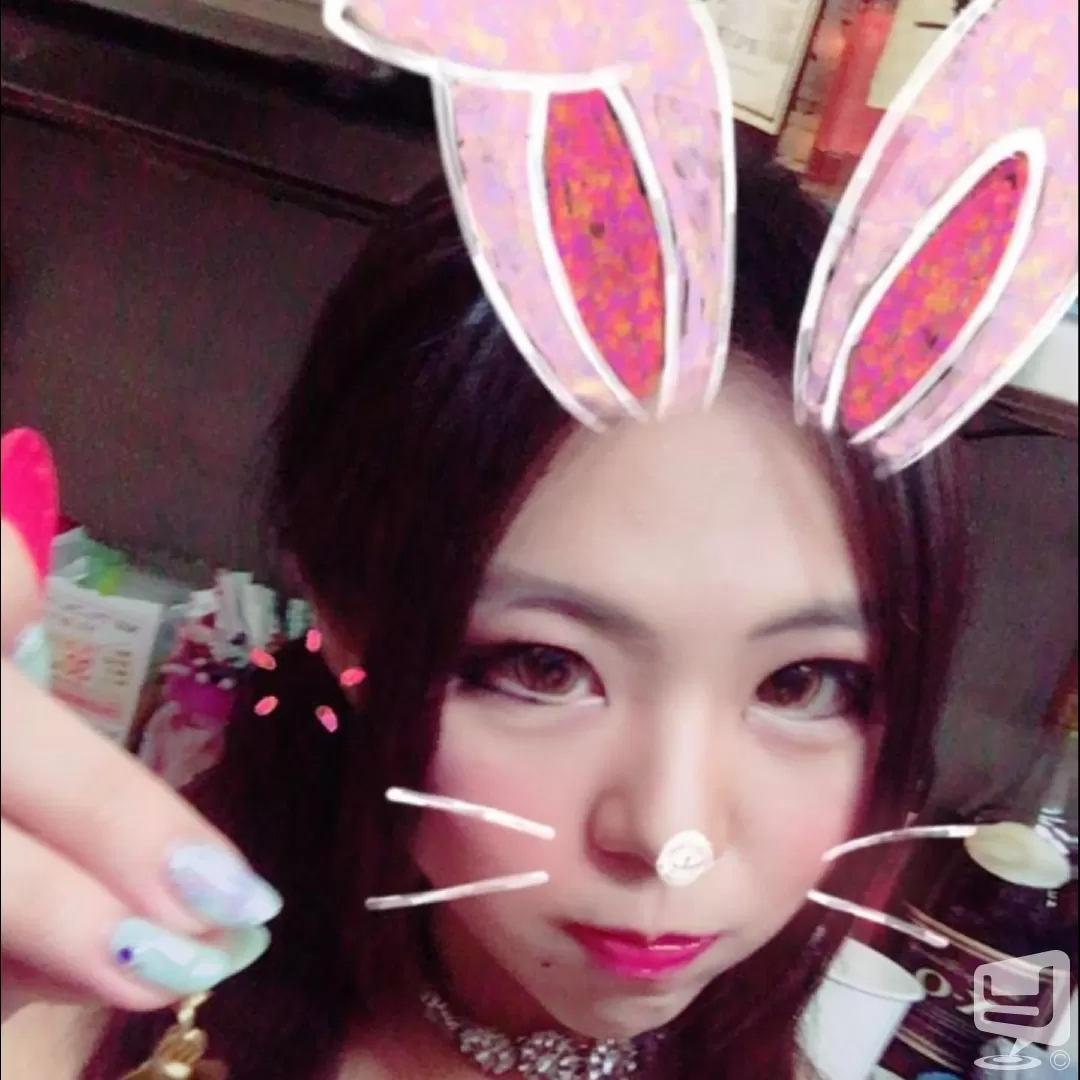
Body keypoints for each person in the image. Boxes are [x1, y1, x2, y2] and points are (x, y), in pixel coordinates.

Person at [0, 158, 966, 1080]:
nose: (671, 835)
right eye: (544, 667)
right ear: (342, 622)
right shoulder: (73, 1029)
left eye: (803, 684)